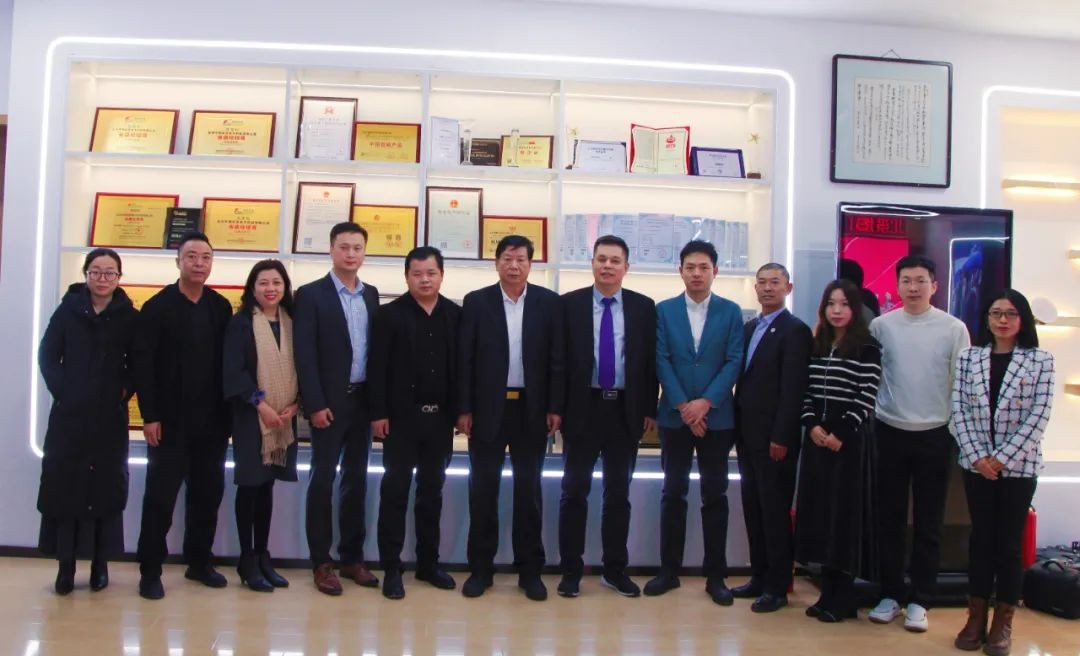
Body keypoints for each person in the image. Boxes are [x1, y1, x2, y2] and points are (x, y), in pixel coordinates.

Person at [457, 235, 564, 601]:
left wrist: (554, 407)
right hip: (487, 409)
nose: (514, 265)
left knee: (529, 493)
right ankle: (480, 569)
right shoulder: (477, 302)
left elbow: (557, 360)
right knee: (483, 490)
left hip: (531, 411)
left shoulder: (549, 303)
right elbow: (465, 360)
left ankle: (529, 571)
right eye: (507, 258)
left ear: (531, 264)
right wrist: (464, 409)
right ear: (496, 262)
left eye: (520, 259)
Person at [868, 255, 970, 632]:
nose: (913, 287)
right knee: (889, 520)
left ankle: (920, 600)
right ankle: (890, 594)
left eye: (921, 280)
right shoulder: (881, 326)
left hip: (935, 433)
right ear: (897, 285)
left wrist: (955, 431)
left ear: (934, 285)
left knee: (929, 523)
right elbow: (872, 377)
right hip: (889, 430)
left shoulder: (953, 328)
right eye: (906, 281)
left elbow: (961, 383)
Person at [950, 290, 1054, 656]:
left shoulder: (1040, 360)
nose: (1003, 320)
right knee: (980, 540)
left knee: (1008, 545)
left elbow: (1038, 417)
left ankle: (1002, 623)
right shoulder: (969, 358)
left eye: (1010, 313)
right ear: (987, 319)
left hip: (1019, 467)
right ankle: (975, 617)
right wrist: (979, 457)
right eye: (996, 313)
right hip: (976, 466)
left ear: (1022, 319)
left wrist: (1001, 459)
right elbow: (958, 411)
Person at [133, 232, 233, 600]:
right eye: (191, 256)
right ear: (178, 261)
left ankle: (199, 561)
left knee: (207, 495)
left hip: (212, 422)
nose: (198, 263)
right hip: (169, 423)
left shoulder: (220, 307)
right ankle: (150, 570)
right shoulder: (157, 307)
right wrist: (150, 416)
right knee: (160, 498)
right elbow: (143, 366)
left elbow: (228, 365)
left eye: (206, 257)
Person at [558, 235, 658, 599]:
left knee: (618, 495)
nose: (607, 266)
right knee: (574, 493)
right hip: (581, 409)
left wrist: (649, 409)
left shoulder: (643, 307)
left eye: (615, 260)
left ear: (626, 267)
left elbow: (649, 364)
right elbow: (558, 363)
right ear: (592, 263)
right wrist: (557, 409)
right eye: (601, 259)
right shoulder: (569, 305)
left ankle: (615, 570)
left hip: (624, 411)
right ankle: (571, 572)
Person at [644, 240, 742, 605]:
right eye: (690, 267)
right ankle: (668, 571)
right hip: (675, 417)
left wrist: (705, 404)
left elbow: (734, 361)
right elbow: (660, 360)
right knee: (673, 494)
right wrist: (685, 406)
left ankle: (715, 576)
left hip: (717, 418)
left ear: (715, 271)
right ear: (680, 271)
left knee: (715, 495)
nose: (697, 273)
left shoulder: (731, 311)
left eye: (703, 267)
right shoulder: (664, 310)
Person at [37, 248, 137, 595]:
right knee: (66, 488)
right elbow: (48, 354)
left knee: (105, 489)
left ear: (119, 278)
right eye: (96, 272)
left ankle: (100, 565)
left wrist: (123, 390)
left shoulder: (129, 316)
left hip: (109, 417)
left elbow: (137, 362)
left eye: (110, 273)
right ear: (86, 274)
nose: (103, 279)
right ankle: (65, 566)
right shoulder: (67, 311)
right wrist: (64, 391)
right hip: (70, 417)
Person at [294, 222, 381, 596]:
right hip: (328, 404)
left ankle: (351, 557)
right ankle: (321, 561)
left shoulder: (371, 294)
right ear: (331, 249)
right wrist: (314, 404)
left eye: (357, 248)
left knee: (356, 481)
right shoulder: (310, 294)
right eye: (344, 247)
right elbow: (304, 354)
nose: (350, 254)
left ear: (364, 252)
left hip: (362, 401)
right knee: (322, 481)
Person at [370, 247, 461, 600]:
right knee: (395, 492)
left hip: (440, 420)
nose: (425, 279)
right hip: (400, 422)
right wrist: (378, 413)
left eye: (431, 273)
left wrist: (461, 412)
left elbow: (462, 369)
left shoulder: (455, 315)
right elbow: (377, 368)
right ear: (406, 276)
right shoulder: (389, 315)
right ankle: (392, 568)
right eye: (417, 273)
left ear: (442, 275)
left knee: (431, 493)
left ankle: (428, 564)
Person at [794, 280, 882, 622]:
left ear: (855, 309)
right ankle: (826, 593)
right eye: (831, 304)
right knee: (820, 516)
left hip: (849, 442)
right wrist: (812, 425)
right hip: (817, 440)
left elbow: (866, 395)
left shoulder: (868, 347)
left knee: (844, 519)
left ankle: (843, 597)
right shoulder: (818, 344)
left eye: (844, 304)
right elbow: (805, 390)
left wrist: (840, 433)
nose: (837, 310)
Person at [732, 262, 812, 613]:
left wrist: (782, 435)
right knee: (753, 508)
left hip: (775, 440)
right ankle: (759, 577)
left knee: (775, 513)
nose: (767, 288)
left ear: (788, 288)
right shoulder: (750, 328)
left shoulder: (796, 331)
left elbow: (794, 389)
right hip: (747, 436)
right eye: (762, 282)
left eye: (775, 282)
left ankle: (778, 587)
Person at [222, 259, 299, 593]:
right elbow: (233, 371)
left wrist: (296, 405)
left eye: (277, 283)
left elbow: (302, 366)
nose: (270, 289)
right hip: (251, 417)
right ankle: (247, 558)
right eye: (263, 283)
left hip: (283, 418)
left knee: (267, 487)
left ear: (285, 287)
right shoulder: (241, 323)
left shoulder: (292, 322)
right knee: (250, 486)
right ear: (252, 288)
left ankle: (263, 555)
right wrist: (261, 405)